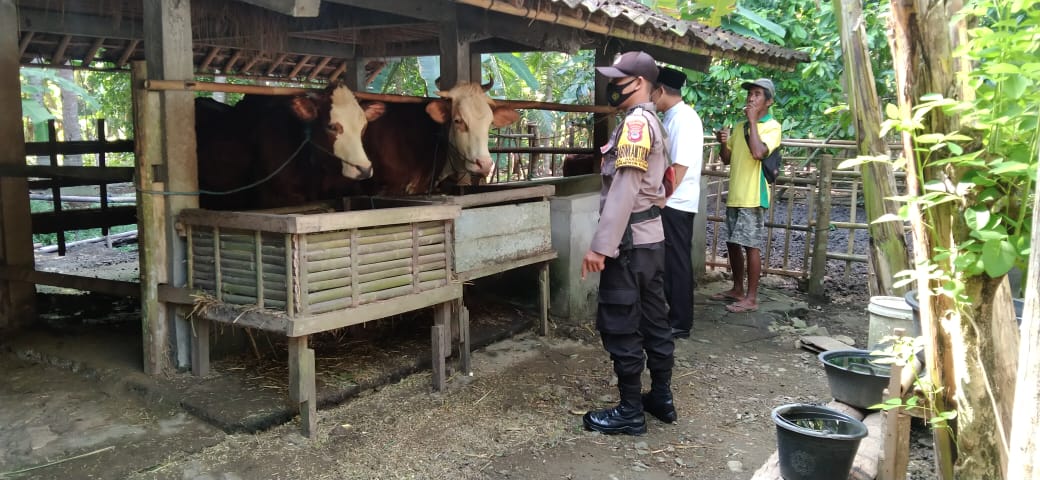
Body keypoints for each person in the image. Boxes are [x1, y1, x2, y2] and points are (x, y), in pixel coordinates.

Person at [580, 51, 676, 435]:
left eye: (619, 79)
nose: (613, 85)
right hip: (652, 239)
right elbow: (665, 184)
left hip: (630, 243)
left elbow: (625, 187)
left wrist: (602, 246)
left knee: (621, 322)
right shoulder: (656, 121)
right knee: (655, 318)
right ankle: (662, 399)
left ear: (638, 83)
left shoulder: (637, 124)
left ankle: (630, 410)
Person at [711, 78, 782, 313]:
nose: (751, 97)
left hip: (754, 195)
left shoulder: (772, 126)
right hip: (736, 194)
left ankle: (751, 298)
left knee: (751, 245)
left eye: (758, 94)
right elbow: (727, 159)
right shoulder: (741, 126)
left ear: (769, 102)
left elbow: (759, 152)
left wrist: (752, 122)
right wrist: (722, 143)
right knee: (732, 243)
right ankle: (737, 289)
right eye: (750, 93)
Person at [652, 67, 704, 339]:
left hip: (676, 201)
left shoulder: (683, 118)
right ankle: (673, 315)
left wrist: (662, 198)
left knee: (677, 263)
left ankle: (681, 321)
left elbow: (680, 166)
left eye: (652, 92)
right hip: (673, 200)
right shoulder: (673, 117)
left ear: (661, 91)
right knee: (670, 262)